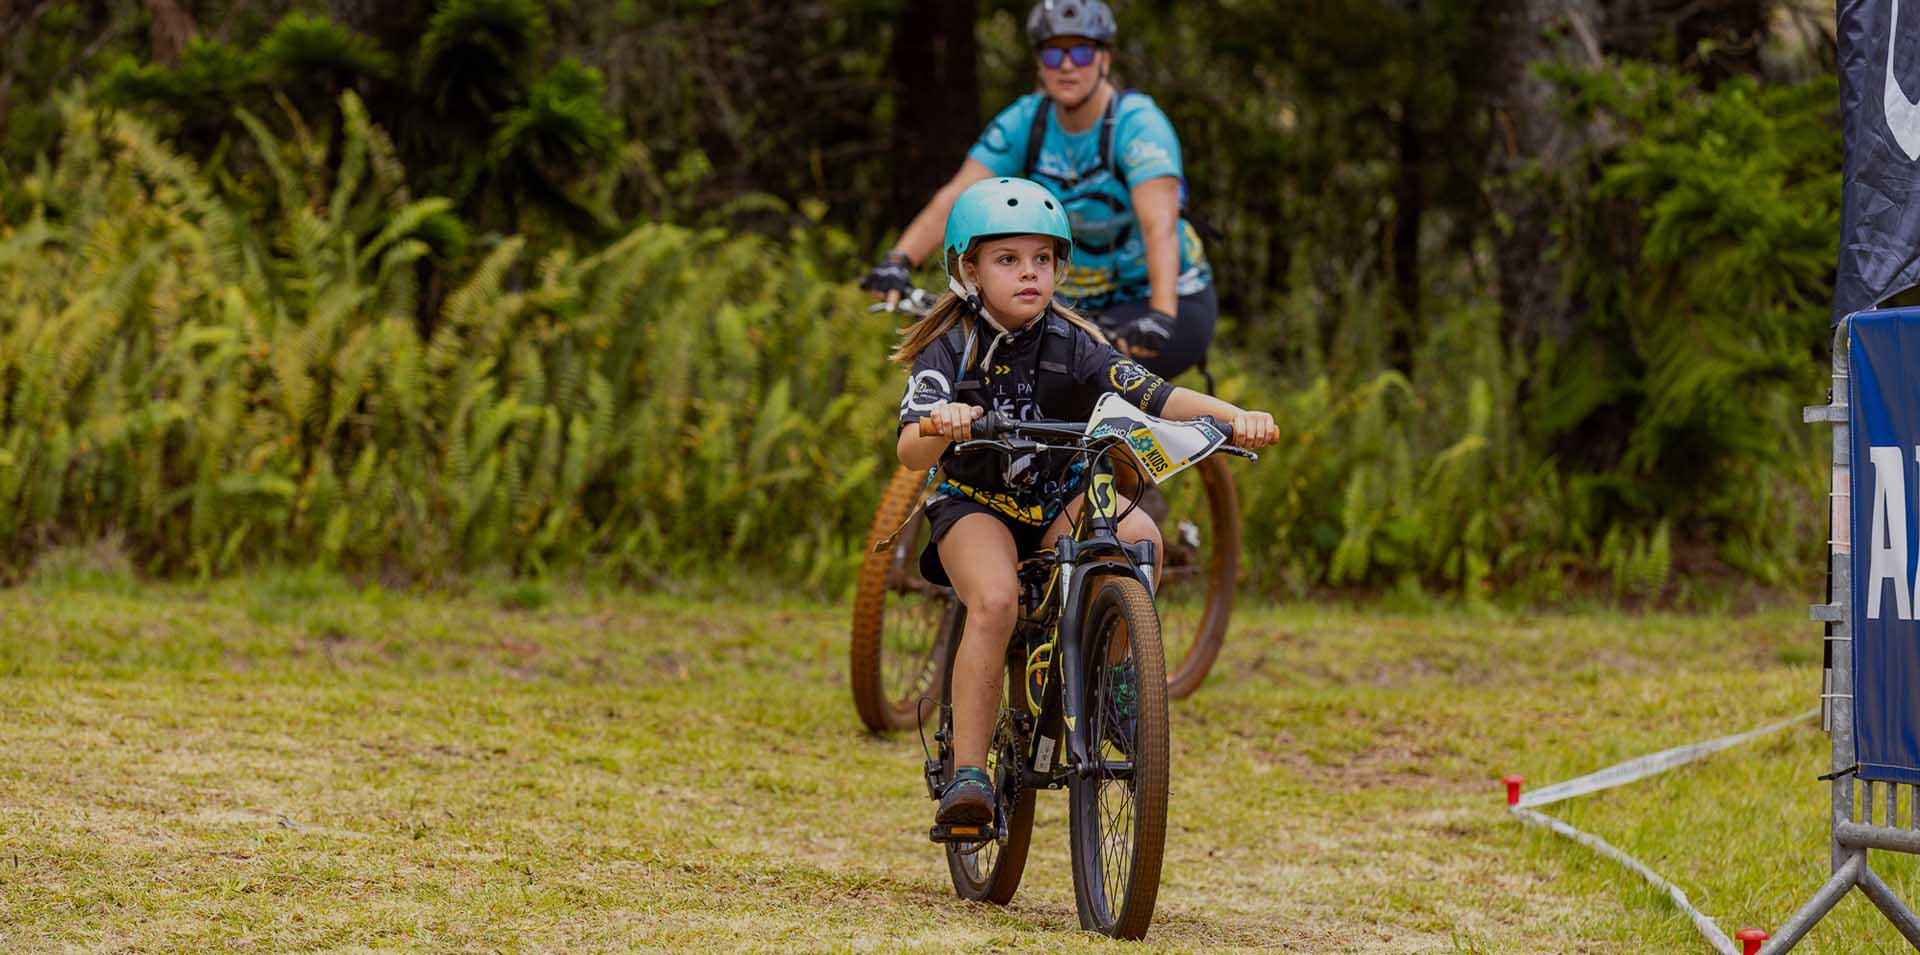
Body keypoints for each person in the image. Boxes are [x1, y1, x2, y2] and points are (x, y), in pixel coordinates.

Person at [894, 177, 1274, 826]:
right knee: (994, 602)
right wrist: (941, 424)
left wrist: (1233, 415)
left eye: (1042, 259)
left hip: (1057, 501)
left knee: (1142, 540)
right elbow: (909, 447)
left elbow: (1152, 393)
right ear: (969, 268)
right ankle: (968, 771)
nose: (1029, 274)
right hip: (977, 505)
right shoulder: (950, 344)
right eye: (1008, 260)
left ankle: (1118, 689)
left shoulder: (1075, 341)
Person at [864, 0, 1216, 381]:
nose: (1067, 65)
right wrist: (899, 259)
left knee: (1101, 388)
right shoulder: (1026, 121)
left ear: (1105, 60)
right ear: (1039, 64)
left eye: (1081, 52)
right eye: (1053, 53)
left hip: (1162, 295)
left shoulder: (1137, 123)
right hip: (1069, 302)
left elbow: (1158, 225)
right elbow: (959, 196)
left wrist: (1160, 315)